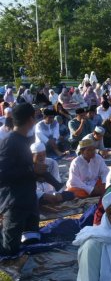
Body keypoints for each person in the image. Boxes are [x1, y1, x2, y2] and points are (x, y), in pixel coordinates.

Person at [0, 104, 40, 255]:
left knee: (32, 239)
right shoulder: (9, 142)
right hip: (14, 202)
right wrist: (32, 169)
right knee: (10, 249)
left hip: (28, 199)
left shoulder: (24, 140)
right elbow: (2, 174)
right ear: (31, 119)